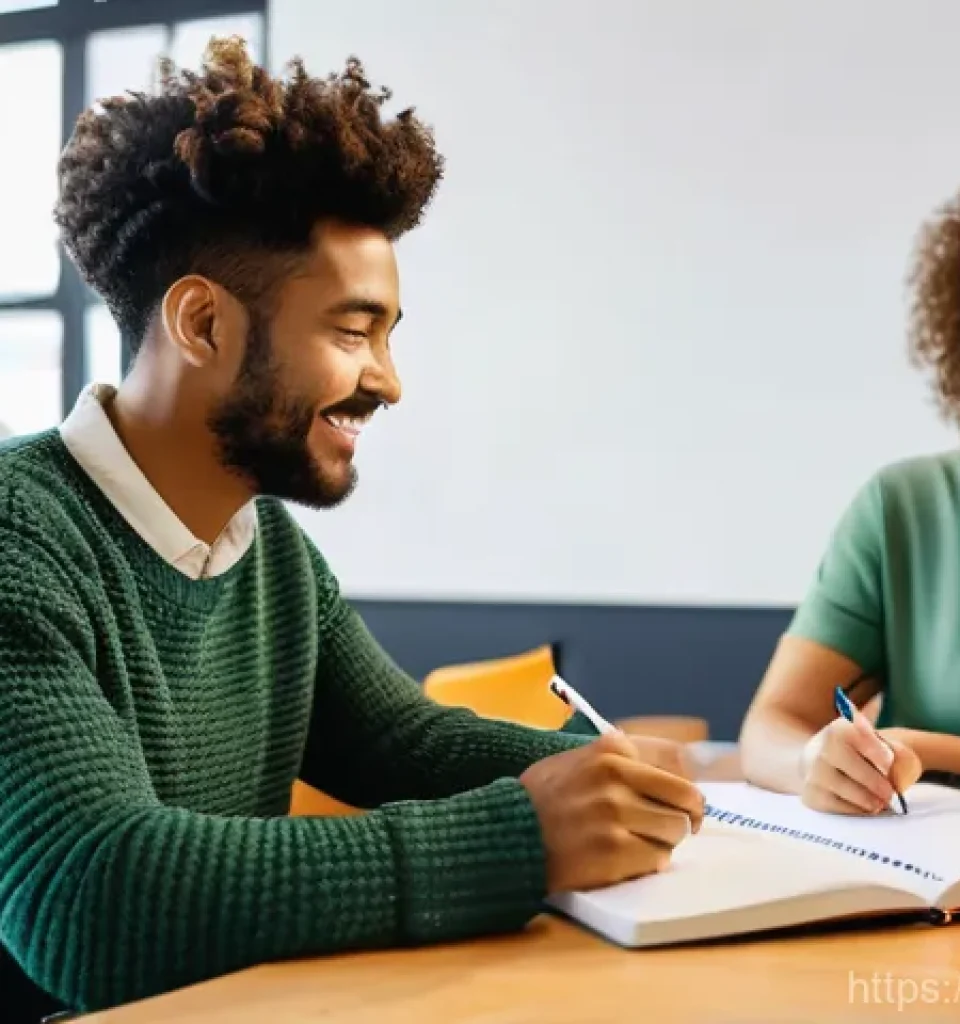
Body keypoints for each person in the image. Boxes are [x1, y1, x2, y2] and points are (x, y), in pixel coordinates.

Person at [0, 38, 704, 1019]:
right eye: (351, 330)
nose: (389, 380)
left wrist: (604, 775)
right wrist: (523, 836)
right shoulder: (16, 536)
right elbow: (91, 897)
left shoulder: (270, 554)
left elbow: (399, 738)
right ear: (203, 325)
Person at [738, 158, 960, 816]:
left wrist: (919, 748)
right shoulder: (904, 508)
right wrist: (813, 763)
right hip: (929, 903)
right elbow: (769, 730)